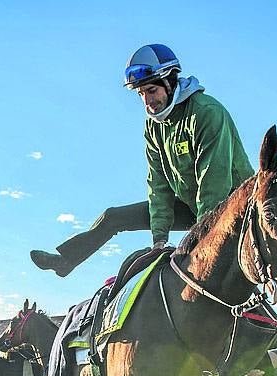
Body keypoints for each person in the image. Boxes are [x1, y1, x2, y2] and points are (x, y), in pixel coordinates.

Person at [30, 43, 253, 277]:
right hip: (194, 207)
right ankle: (67, 260)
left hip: (233, 206)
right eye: (141, 94)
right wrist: (159, 239)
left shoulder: (206, 112)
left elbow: (213, 183)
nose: (147, 101)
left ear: (170, 81)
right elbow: (158, 184)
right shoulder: (153, 126)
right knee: (113, 216)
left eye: (151, 90)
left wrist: (198, 240)